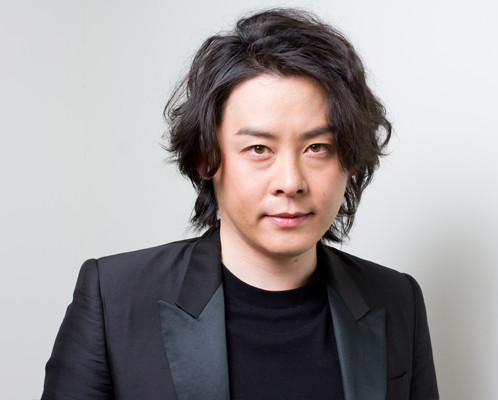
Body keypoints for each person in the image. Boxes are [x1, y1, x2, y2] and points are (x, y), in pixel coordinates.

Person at [42, 8, 439, 400]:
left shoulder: (396, 299)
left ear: (349, 158)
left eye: (318, 147)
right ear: (206, 158)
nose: (290, 182)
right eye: (259, 148)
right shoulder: (114, 297)